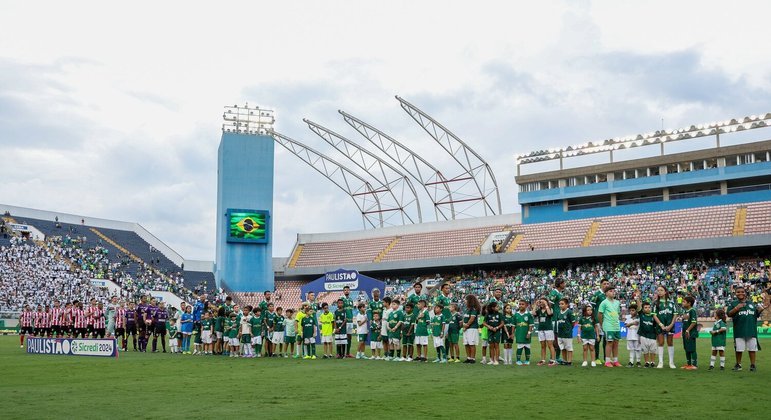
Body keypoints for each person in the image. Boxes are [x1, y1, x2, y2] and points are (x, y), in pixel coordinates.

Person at [727, 285, 765, 372]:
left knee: (752, 349)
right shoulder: (733, 303)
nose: (740, 293)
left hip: (751, 330)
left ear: (745, 293)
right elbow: (729, 314)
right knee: (739, 349)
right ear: (735, 294)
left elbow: (755, 315)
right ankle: (738, 364)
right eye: (738, 292)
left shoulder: (751, 303)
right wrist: (737, 308)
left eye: (742, 292)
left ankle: (752, 365)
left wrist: (761, 310)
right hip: (739, 330)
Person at [652, 285, 677, 369]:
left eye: (661, 290)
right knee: (661, 343)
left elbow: (675, 314)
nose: (659, 292)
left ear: (665, 292)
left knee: (670, 343)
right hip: (660, 326)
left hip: (670, 326)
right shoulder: (655, 303)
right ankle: (660, 362)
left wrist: (671, 325)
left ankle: (671, 362)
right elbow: (654, 315)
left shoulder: (671, 302)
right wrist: (661, 325)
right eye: (658, 290)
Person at [598, 285, 621, 367]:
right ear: (606, 293)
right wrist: (602, 324)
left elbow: (618, 313)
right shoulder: (604, 303)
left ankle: (615, 361)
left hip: (616, 326)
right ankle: (607, 361)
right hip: (608, 325)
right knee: (609, 343)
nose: (613, 292)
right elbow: (600, 314)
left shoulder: (617, 302)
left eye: (613, 291)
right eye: (611, 291)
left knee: (616, 343)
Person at [590, 279, 610, 363]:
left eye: (607, 284)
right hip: (598, 320)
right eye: (604, 284)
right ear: (601, 285)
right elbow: (591, 306)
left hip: (607, 320)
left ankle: (606, 358)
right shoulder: (597, 294)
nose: (606, 285)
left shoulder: (608, 295)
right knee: (598, 339)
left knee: (606, 340)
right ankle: (596, 358)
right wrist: (594, 318)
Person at [533, 297, 555, 366]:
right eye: (540, 302)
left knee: (550, 345)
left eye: (542, 302)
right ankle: (543, 360)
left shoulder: (550, 309)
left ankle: (553, 360)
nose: (541, 303)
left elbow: (549, 314)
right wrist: (535, 305)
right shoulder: (539, 310)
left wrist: (546, 305)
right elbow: (533, 313)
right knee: (542, 346)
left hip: (548, 329)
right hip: (541, 329)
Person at [554, 298, 574, 366]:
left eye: (562, 304)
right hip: (560, 333)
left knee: (569, 348)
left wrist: (569, 329)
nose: (560, 305)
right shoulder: (559, 312)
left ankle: (569, 361)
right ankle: (565, 360)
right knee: (563, 348)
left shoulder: (569, 312)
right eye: (559, 304)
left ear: (567, 304)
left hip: (567, 333)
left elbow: (573, 323)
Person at [638, 301, 658, 368]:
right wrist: (637, 298)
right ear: (643, 309)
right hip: (643, 335)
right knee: (645, 350)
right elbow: (639, 307)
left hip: (652, 336)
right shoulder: (641, 314)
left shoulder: (653, 315)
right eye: (645, 307)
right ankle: (646, 362)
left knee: (653, 350)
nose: (648, 309)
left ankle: (652, 362)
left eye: (649, 307)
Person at [514, 299, 534, 366]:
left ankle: (527, 360)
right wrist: (512, 333)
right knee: (519, 347)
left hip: (526, 334)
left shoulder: (528, 314)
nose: (521, 305)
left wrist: (529, 333)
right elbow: (514, 325)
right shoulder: (516, 314)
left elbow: (531, 325)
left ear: (526, 305)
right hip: (519, 334)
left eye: (522, 304)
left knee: (527, 347)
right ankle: (518, 360)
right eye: (520, 304)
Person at [462, 294, 481, 364]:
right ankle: (468, 357)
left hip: (472, 328)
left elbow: (472, 319)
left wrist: (466, 325)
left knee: (471, 343)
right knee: (466, 343)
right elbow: (465, 318)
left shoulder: (474, 309)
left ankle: (473, 358)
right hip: (466, 328)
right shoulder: (467, 309)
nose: (465, 301)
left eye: (466, 300)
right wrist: (464, 325)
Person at [681, 296, 698, 370]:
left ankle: (694, 365)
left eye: (684, 302)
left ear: (689, 303)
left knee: (692, 348)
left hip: (691, 333)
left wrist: (688, 330)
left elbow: (693, 322)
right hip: (685, 332)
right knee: (686, 348)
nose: (682, 303)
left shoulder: (692, 311)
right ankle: (688, 364)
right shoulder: (685, 311)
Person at [484, 301, 503, 366]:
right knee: (491, 346)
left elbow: (502, 323)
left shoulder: (500, 314)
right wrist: (489, 327)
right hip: (490, 331)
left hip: (497, 331)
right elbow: (484, 323)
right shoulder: (488, 314)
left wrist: (497, 327)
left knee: (496, 345)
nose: (498, 308)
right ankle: (492, 360)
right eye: (497, 306)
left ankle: (496, 360)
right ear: (492, 308)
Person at [625, 303, 641, 367]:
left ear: (636, 311)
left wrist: (631, 324)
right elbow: (626, 325)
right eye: (630, 310)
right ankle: (631, 361)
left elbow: (637, 324)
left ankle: (638, 361)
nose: (631, 312)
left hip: (637, 335)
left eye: (633, 310)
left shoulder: (639, 317)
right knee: (631, 349)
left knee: (638, 348)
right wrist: (632, 323)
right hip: (630, 335)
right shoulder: (628, 317)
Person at [341, 286, 355, 358]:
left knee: (349, 337)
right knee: (343, 336)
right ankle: (341, 353)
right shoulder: (341, 299)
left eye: (348, 290)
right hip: (344, 321)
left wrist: (352, 318)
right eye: (345, 290)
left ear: (349, 291)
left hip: (350, 320)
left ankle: (348, 353)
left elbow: (351, 310)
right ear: (343, 291)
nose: (346, 291)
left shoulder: (351, 300)